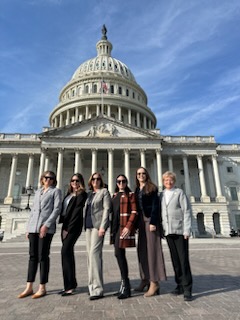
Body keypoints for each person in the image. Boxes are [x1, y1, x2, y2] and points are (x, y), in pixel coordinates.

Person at [18, 171, 62, 299]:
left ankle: (42, 287)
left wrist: (47, 225)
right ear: (42, 179)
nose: (48, 180)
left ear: (54, 180)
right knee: (32, 257)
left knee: (43, 256)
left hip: (46, 228)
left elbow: (57, 209)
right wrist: (28, 228)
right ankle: (29, 286)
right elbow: (33, 211)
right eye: (46, 177)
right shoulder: (37, 192)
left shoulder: (56, 191)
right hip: (33, 228)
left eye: (51, 178)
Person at [160, 171, 193, 301]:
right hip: (168, 231)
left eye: (171, 180)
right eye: (166, 180)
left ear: (174, 181)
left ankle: (187, 288)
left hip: (180, 230)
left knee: (183, 260)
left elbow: (187, 211)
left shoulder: (179, 192)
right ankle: (179, 284)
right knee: (175, 260)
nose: (169, 182)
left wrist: (187, 230)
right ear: (163, 182)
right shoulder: (161, 195)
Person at [135, 167, 166, 297]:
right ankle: (145, 278)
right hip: (141, 222)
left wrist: (154, 222)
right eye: (139, 174)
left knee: (153, 251)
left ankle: (154, 282)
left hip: (150, 221)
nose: (141, 175)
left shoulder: (152, 188)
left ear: (147, 175)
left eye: (143, 173)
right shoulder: (137, 190)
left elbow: (155, 206)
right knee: (142, 250)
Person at [58, 173, 87, 296]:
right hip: (65, 226)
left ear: (81, 182)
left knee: (65, 252)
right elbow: (64, 211)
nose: (74, 183)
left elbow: (76, 213)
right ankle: (70, 284)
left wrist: (68, 229)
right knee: (67, 254)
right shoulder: (68, 195)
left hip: (73, 227)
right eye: (73, 180)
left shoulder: (82, 194)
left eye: (77, 181)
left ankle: (69, 286)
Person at [84, 172, 111, 300]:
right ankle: (92, 286)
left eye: (98, 179)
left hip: (97, 227)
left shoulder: (104, 192)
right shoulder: (89, 194)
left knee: (95, 255)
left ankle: (98, 289)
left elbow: (106, 209)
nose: (95, 181)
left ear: (101, 181)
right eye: (93, 179)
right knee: (90, 257)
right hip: (88, 227)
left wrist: (103, 226)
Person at [110, 174, 138, 299]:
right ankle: (124, 285)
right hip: (115, 229)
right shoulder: (114, 196)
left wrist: (128, 226)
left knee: (119, 254)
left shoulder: (130, 195)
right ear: (116, 183)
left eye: (123, 181)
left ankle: (126, 286)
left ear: (127, 182)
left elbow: (134, 211)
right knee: (118, 254)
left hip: (123, 228)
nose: (121, 183)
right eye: (119, 181)